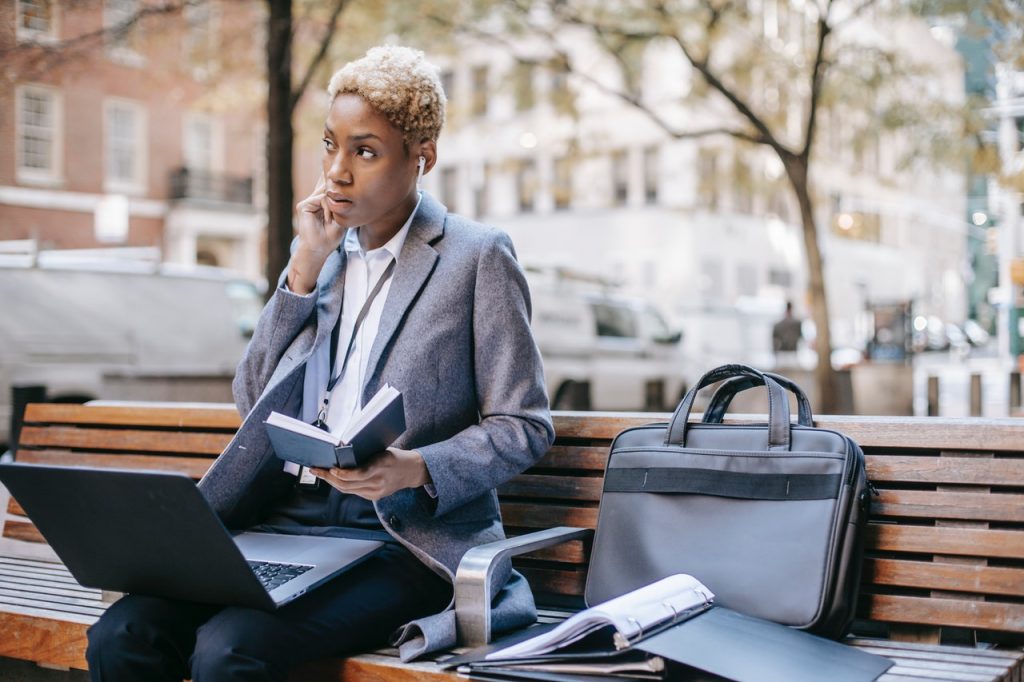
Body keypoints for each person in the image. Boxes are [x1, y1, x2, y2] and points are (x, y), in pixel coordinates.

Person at [85, 45, 554, 681]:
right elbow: (252, 401)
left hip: (399, 538)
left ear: (423, 157)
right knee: (123, 632)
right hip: (288, 519)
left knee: (230, 649)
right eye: (330, 145)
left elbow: (523, 423)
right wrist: (301, 272)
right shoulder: (319, 255)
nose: (336, 171)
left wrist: (416, 469)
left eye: (365, 151)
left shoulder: (475, 258)